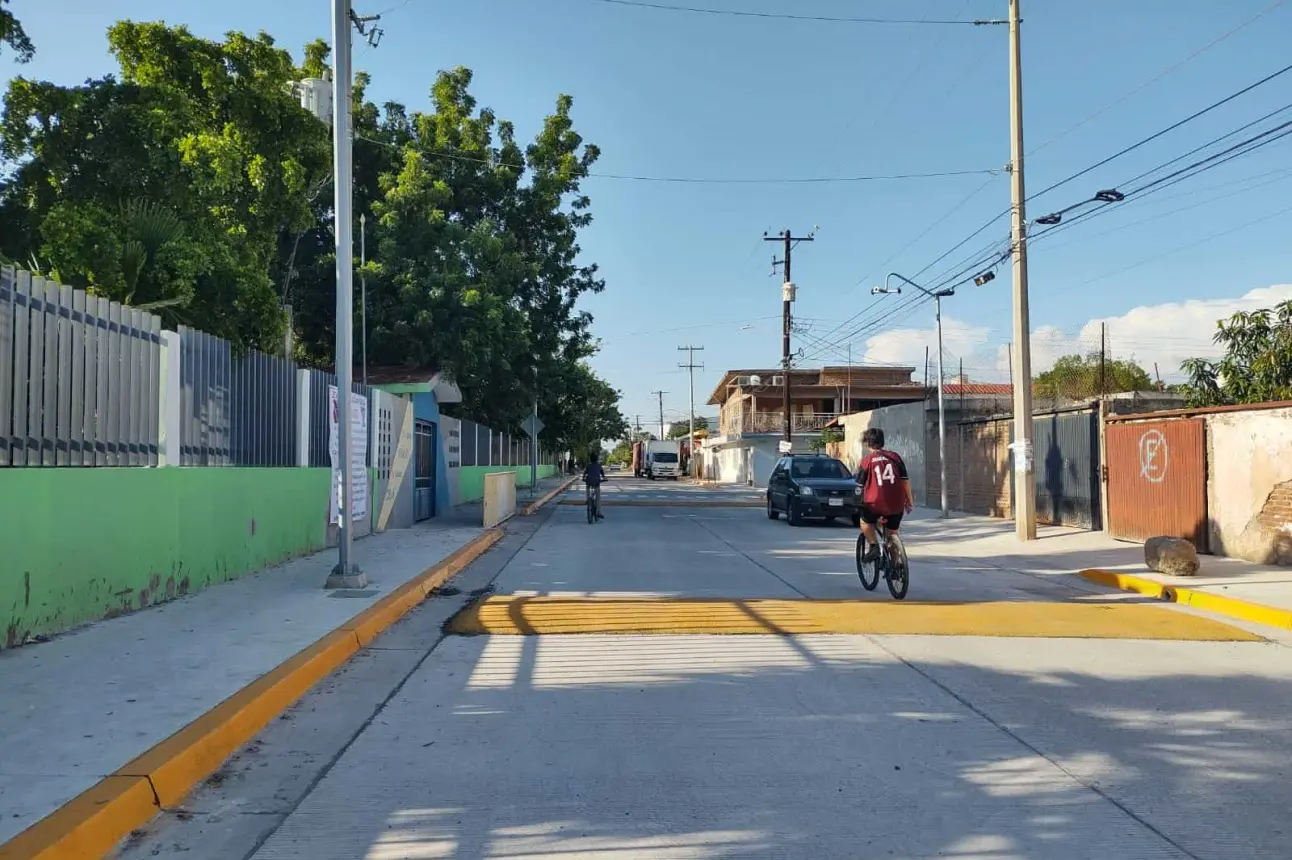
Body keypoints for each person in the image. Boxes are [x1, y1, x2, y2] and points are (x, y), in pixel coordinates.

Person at [854, 427, 914, 562]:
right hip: (896, 504)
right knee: (892, 532)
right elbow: (905, 482)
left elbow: (859, 487)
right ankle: (896, 565)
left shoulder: (867, 461)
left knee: (865, 522)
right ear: (882, 442)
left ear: (867, 443)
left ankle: (874, 546)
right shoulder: (895, 457)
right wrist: (909, 501)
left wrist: (857, 503)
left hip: (874, 504)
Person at [583, 453, 608, 520]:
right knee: (598, 496)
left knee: (587, 488)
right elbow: (602, 474)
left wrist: (583, 478)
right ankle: (598, 512)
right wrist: (604, 478)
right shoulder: (599, 466)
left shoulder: (588, 465)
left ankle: (588, 499)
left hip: (589, 482)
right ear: (597, 459)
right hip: (597, 482)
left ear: (590, 459)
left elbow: (585, 473)